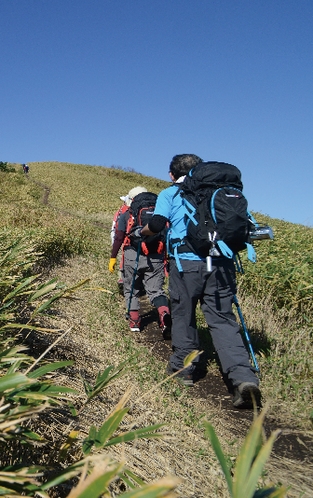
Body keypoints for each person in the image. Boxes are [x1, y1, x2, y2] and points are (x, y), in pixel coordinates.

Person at [139, 154, 261, 409]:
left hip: (186, 264)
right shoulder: (222, 190)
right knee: (222, 319)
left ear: (172, 174)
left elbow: (158, 223)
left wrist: (144, 232)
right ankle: (243, 378)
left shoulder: (170, 193)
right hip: (222, 263)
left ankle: (184, 368)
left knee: (184, 314)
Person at [110, 186, 170, 335]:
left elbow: (119, 237)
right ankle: (164, 316)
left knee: (131, 288)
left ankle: (134, 321)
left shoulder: (127, 214)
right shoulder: (160, 213)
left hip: (133, 254)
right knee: (156, 290)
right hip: (156, 254)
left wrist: (113, 257)